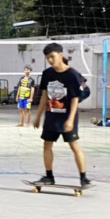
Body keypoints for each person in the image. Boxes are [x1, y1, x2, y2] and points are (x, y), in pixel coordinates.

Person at [32, 42, 91, 187]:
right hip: (52, 115)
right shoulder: (47, 74)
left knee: (74, 145)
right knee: (47, 144)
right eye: (48, 58)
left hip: (67, 117)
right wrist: (38, 116)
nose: (50, 60)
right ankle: (49, 176)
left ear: (60, 55)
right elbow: (45, 96)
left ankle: (84, 178)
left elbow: (76, 99)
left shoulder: (72, 75)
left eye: (52, 56)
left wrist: (70, 120)